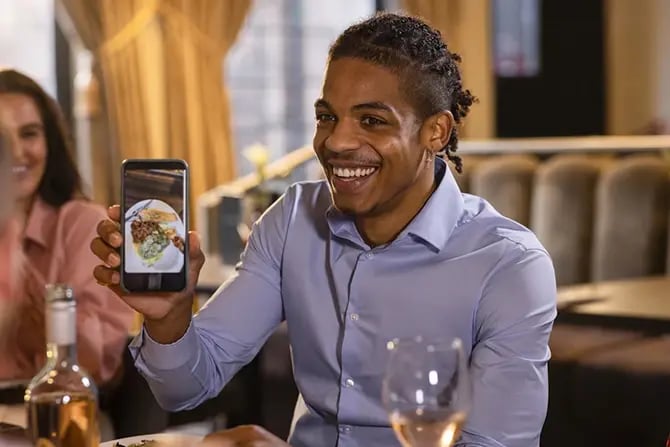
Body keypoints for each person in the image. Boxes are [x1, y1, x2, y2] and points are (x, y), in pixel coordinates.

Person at [91, 13, 556, 447]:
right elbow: (184, 389)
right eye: (327, 116)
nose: (335, 142)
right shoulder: (292, 220)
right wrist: (168, 318)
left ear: (436, 132)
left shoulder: (510, 265)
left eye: (372, 121)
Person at [0, 69, 134, 428]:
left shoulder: (81, 225)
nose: (15, 151)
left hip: (59, 414)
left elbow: (96, 362)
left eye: (29, 134)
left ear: (50, 144)